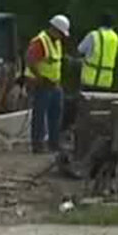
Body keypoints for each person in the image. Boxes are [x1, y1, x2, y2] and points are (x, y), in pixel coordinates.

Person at [25, 14, 70, 154]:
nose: (61, 37)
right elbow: (31, 60)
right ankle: (38, 145)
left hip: (54, 84)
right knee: (40, 115)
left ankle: (54, 143)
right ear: (54, 29)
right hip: (42, 84)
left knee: (56, 114)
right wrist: (39, 78)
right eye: (60, 33)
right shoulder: (40, 41)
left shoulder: (56, 42)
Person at [78, 13, 118, 92]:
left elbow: (80, 50)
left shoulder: (93, 35)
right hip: (106, 81)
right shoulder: (116, 39)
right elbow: (117, 54)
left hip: (89, 79)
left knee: (86, 103)